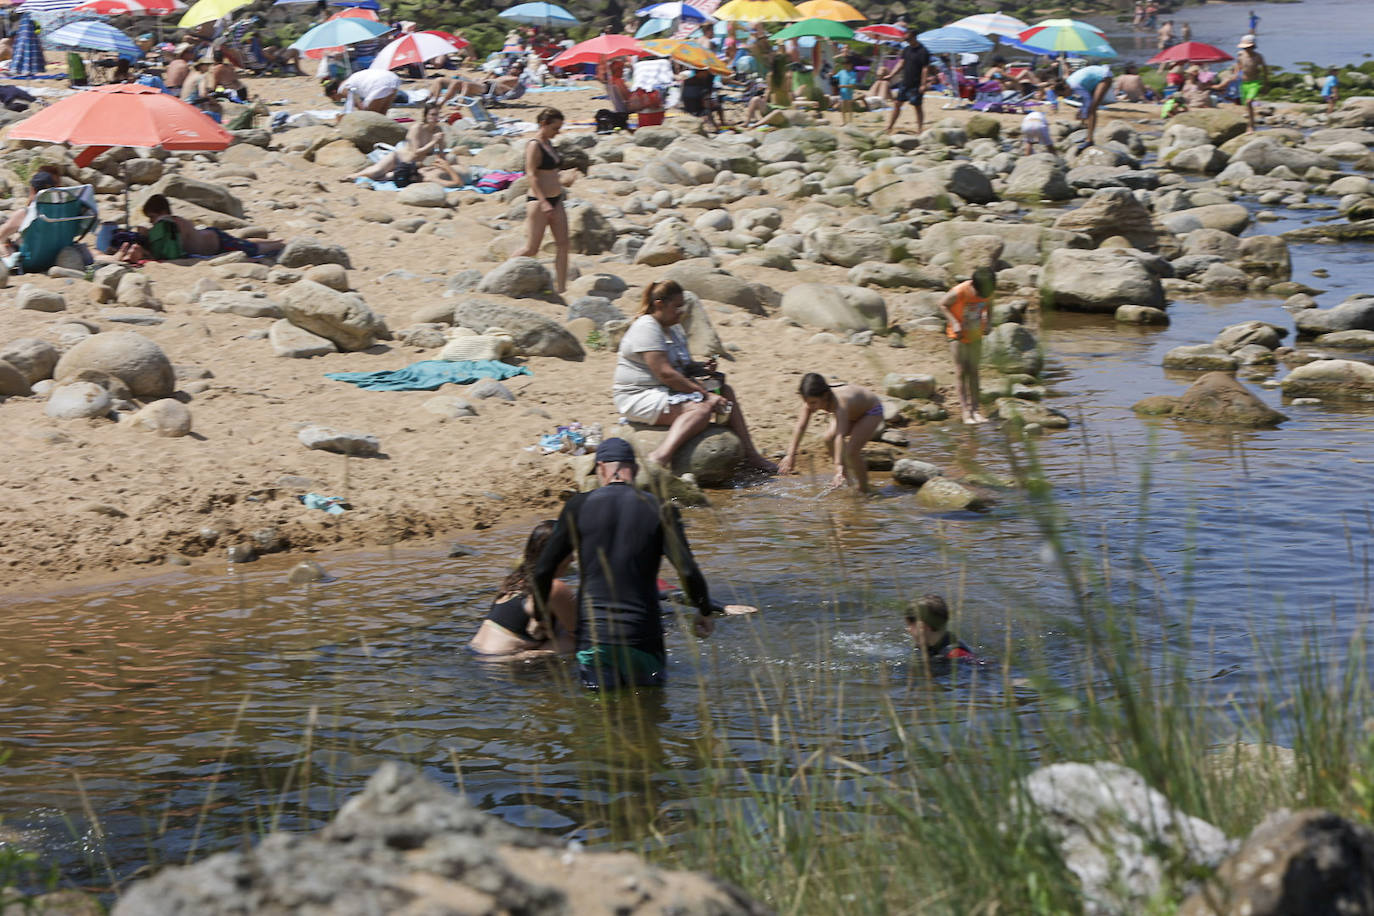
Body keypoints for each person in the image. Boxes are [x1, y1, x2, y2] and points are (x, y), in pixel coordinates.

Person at [531, 438, 726, 690]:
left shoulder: (578, 506)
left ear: (601, 468)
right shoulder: (660, 508)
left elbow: (544, 570)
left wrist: (541, 617)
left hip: (595, 638)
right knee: (651, 712)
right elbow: (687, 569)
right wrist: (704, 611)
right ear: (633, 470)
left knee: (598, 714)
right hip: (642, 637)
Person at [613, 280, 774, 472]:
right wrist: (705, 395)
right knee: (701, 409)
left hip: (664, 390)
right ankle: (660, 456)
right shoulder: (646, 327)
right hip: (638, 396)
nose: (681, 312)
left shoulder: (674, 329)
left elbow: (682, 367)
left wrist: (702, 369)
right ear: (659, 305)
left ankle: (751, 455)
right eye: (677, 307)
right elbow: (665, 373)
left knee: (725, 390)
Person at [470, 520, 577, 656]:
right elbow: (580, 633)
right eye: (569, 551)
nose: (573, 558)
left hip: (475, 653)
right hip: (505, 663)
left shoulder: (515, 581)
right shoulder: (554, 587)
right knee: (579, 638)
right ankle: (533, 654)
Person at [777, 373, 883, 493]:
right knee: (827, 438)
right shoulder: (810, 400)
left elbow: (840, 435)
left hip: (871, 412)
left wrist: (838, 466)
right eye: (806, 401)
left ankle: (864, 489)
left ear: (825, 396)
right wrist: (790, 455)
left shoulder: (839, 402)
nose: (809, 406)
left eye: (813, 402)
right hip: (850, 414)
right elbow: (800, 427)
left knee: (851, 452)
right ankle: (847, 481)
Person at [118, 194, 284, 262]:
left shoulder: (167, 222)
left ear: (161, 212)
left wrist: (149, 236)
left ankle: (281, 245)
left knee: (253, 248)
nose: (152, 221)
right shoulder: (171, 223)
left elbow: (172, 251)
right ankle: (277, 241)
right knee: (242, 242)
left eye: (152, 217)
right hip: (213, 237)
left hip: (217, 243)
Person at [516, 107, 572, 294]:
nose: (558, 132)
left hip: (557, 199)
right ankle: (505, 271)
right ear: (543, 124)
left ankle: (562, 288)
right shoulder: (534, 145)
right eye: (555, 128)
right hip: (539, 202)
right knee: (532, 248)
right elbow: (531, 175)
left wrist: (564, 180)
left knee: (563, 244)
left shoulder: (549, 143)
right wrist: (543, 202)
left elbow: (551, 172)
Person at [341, 103, 464, 186]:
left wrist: (441, 163)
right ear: (426, 116)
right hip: (399, 158)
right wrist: (433, 142)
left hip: (413, 165)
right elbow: (416, 152)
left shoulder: (438, 131)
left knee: (386, 177)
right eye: (432, 114)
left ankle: (360, 179)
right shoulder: (417, 128)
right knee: (376, 171)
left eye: (437, 114)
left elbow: (441, 154)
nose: (435, 117)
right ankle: (352, 176)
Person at [939, 267, 994, 425]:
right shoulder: (960, 291)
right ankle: (965, 412)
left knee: (974, 371)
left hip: (976, 335)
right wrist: (954, 322)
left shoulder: (988, 289)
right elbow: (942, 304)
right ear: (974, 286)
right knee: (962, 372)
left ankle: (975, 410)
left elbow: (989, 305)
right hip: (958, 336)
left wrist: (989, 321)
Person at [0, 168, 63, 256]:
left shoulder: (27, 213)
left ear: (32, 189)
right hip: (55, 256)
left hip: (32, 259)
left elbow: (1, 235)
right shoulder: (63, 210)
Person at [882, 31, 930, 134]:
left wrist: (923, 84)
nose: (907, 41)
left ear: (914, 37)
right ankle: (890, 126)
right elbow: (901, 63)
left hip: (916, 83)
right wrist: (891, 75)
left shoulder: (923, 51)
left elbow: (925, 69)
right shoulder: (907, 49)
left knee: (917, 106)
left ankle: (920, 129)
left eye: (909, 39)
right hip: (905, 82)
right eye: (906, 40)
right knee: (897, 104)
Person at [905, 595, 975, 665]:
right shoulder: (925, 643)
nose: (908, 629)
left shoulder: (957, 654)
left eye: (909, 625)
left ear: (922, 626)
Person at [1066, 63, 1112, 150]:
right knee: (1087, 108)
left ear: (1065, 88)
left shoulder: (1074, 85)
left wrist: (1082, 113)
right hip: (1095, 77)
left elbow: (1087, 100)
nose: (1066, 97)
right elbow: (1085, 98)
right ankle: (1086, 133)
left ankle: (1089, 140)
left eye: (1064, 95)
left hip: (1104, 76)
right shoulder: (1069, 82)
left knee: (1092, 109)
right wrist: (1082, 111)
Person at [1230, 34, 1268, 133]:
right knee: (1247, 105)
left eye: (1249, 48)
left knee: (1249, 102)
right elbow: (1238, 66)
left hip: (1255, 82)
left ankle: (1250, 127)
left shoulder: (1258, 57)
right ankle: (1251, 124)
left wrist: (1266, 83)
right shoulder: (1240, 55)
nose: (1247, 50)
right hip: (1244, 82)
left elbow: (1265, 70)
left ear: (1253, 46)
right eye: (1245, 48)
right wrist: (1235, 74)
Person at [324, 67, 402, 114]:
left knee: (371, 115)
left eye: (333, 98)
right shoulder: (350, 80)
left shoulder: (342, 89)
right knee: (381, 114)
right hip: (392, 78)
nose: (336, 100)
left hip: (379, 83)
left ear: (334, 92)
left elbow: (359, 104)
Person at [833, 55, 857, 125]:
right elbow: (834, 77)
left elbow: (853, 85)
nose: (845, 66)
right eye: (844, 65)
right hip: (842, 93)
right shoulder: (841, 72)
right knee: (843, 108)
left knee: (849, 108)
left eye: (847, 64)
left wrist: (843, 86)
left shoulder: (853, 74)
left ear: (850, 65)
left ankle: (850, 122)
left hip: (849, 93)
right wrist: (835, 68)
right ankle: (844, 122)